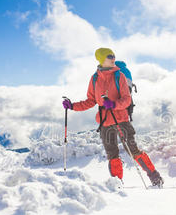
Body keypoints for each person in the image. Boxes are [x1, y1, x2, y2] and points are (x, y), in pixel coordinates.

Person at [62, 48, 163, 187]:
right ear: (101, 59)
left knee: (132, 150)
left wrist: (114, 104)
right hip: (105, 123)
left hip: (121, 119)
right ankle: (117, 185)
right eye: (110, 56)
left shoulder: (119, 76)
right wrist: (72, 106)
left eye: (114, 55)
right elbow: (90, 101)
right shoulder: (94, 79)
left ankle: (155, 178)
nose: (113, 58)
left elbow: (127, 100)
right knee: (112, 154)